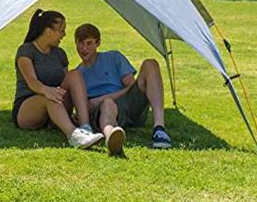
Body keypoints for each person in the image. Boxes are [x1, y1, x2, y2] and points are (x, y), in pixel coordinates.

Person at [75, 23, 172, 155]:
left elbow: (130, 86)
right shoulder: (78, 74)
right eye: (80, 43)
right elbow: (83, 105)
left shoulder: (113, 57)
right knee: (108, 104)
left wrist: (102, 98)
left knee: (150, 63)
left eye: (89, 43)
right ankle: (112, 135)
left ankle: (159, 129)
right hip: (103, 111)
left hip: (127, 104)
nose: (84, 48)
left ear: (98, 43)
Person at [13, 9, 103, 149]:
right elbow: (32, 81)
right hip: (28, 110)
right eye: (61, 30)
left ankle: (85, 128)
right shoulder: (26, 51)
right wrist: (47, 90)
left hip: (56, 107)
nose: (64, 34)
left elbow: (65, 84)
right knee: (50, 96)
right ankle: (73, 135)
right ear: (48, 31)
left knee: (74, 75)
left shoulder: (60, 54)